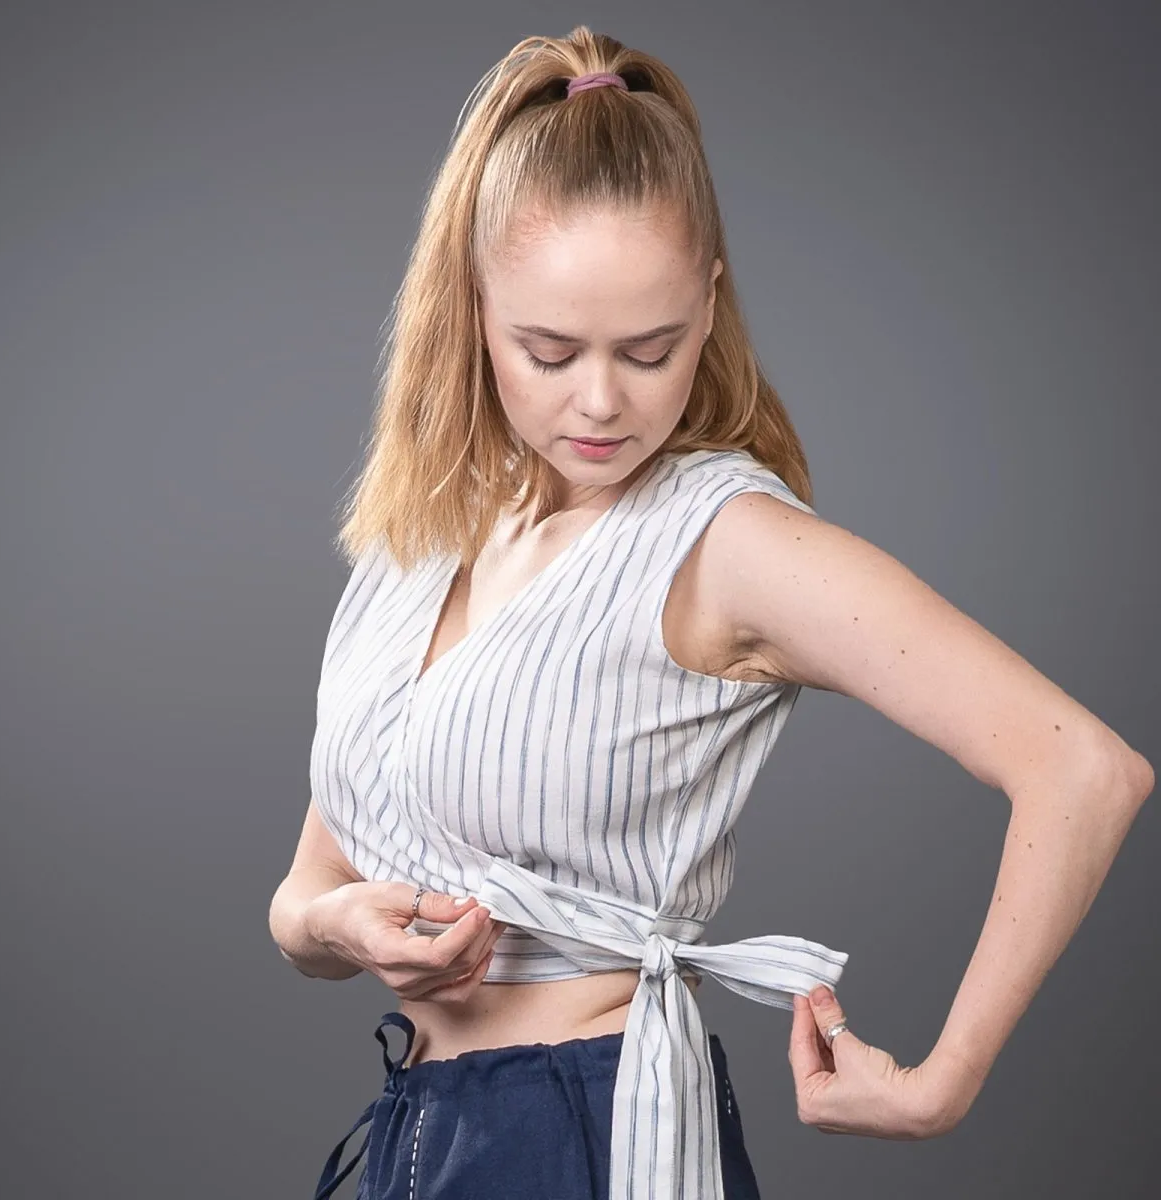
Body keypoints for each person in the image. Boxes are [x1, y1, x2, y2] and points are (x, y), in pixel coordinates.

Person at [267, 25, 1154, 1200]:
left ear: (710, 303)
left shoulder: (725, 542)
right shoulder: (420, 536)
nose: (599, 400)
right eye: (547, 349)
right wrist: (339, 933)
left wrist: (942, 1080)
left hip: (594, 1132)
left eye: (651, 348)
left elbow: (1083, 768)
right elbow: (303, 894)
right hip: (415, 1128)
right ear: (473, 310)